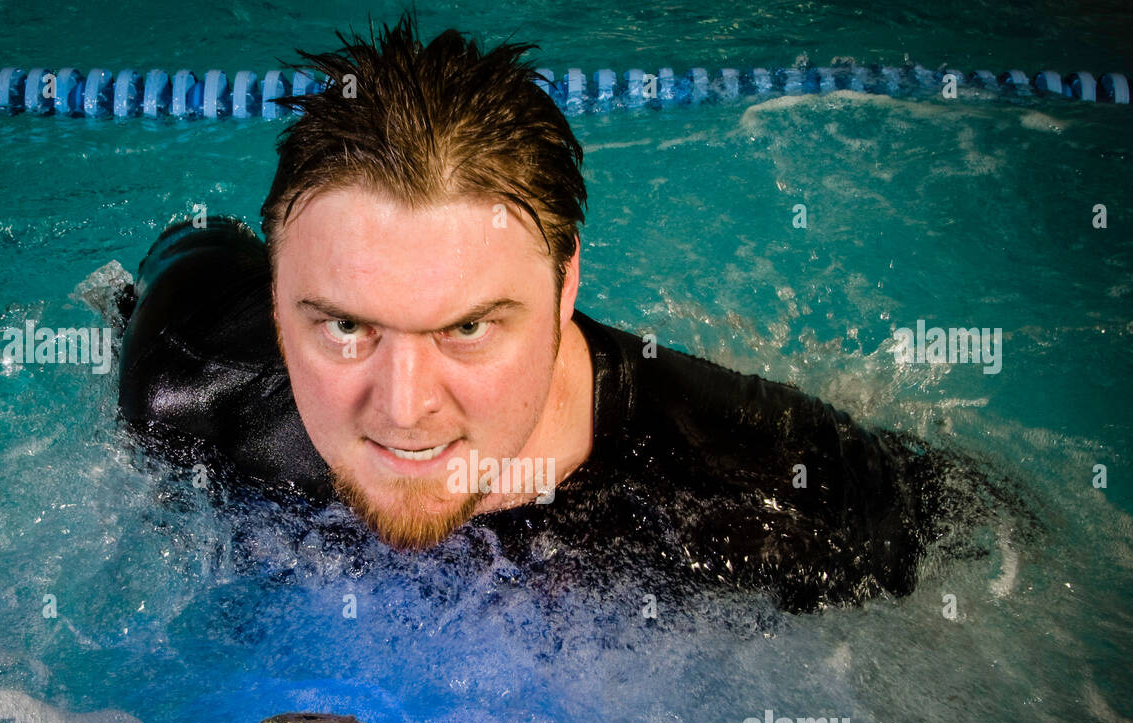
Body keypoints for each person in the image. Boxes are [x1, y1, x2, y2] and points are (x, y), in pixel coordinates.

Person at [118, 13, 967, 613]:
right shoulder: (187, 383)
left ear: (566, 290)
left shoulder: (759, 490)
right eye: (345, 326)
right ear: (275, 299)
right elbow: (184, 244)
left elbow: (990, 541)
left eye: (468, 327)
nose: (404, 408)